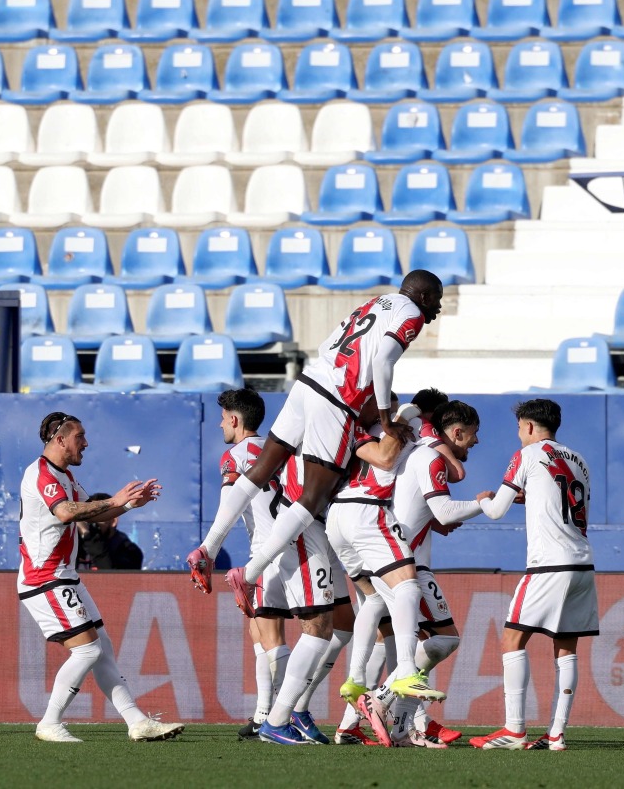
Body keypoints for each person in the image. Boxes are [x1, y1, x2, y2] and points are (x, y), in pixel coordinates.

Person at [189, 270, 444, 705]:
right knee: (312, 497)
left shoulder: (376, 302)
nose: (435, 310)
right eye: (435, 300)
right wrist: (385, 417)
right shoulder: (410, 316)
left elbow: (334, 348)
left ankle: (208, 547)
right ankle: (249, 575)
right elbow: (381, 362)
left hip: (308, 382)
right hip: (335, 402)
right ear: (421, 296)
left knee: (261, 469)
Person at [19, 412, 184, 743]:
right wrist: (115, 500)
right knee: (88, 651)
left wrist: (127, 506)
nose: (86, 443)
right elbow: (65, 511)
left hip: (64, 576)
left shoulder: (64, 476)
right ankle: (49, 722)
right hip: (44, 578)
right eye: (80, 436)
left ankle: (136, 722)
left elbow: (94, 511)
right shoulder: (41, 473)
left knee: (102, 649)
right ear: (60, 439)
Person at [190, 388, 336, 745]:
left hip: (271, 550)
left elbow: (231, 501)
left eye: (224, 418)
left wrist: (209, 549)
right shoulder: (280, 451)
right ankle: (266, 714)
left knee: (272, 636)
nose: (222, 424)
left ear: (235, 420)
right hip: (297, 539)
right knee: (266, 635)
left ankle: (281, 716)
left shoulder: (236, 455)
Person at [470, 399, 596, 752]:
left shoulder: (525, 454)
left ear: (527, 426)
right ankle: (557, 734)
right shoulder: (579, 460)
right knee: (566, 649)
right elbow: (564, 501)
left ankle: (514, 730)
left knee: (512, 640)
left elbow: (495, 510)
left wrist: (482, 500)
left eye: (519, 428)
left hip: (548, 564)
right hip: (582, 562)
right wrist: (529, 499)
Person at [367, 399, 485, 747]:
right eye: (473, 435)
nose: (476, 443)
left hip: (394, 559)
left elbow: (420, 510)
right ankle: (380, 697)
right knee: (444, 639)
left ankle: (403, 725)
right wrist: (488, 503)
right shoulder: (429, 456)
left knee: (408, 642)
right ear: (458, 432)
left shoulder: (412, 454)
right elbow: (446, 511)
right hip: (406, 566)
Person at [76, 493, 144, 570]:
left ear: (113, 521)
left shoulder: (130, 552)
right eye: (87, 518)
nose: (89, 524)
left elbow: (111, 577)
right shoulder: (77, 544)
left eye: (96, 518)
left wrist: (88, 535)